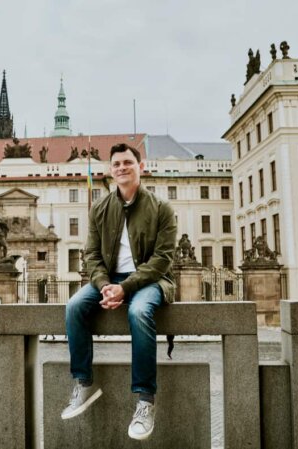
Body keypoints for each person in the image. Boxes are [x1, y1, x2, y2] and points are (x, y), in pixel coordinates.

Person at [62, 143, 176, 441]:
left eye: (128, 162)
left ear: (141, 166)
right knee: (74, 306)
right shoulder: (100, 208)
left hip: (151, 280)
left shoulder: (161, 208)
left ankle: (144, 401)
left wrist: (124, 288)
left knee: (139, 311)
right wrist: (104, 286)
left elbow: (163, 259)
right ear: (110, 170)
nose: (122, 168)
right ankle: (83, 383)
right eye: (116, 164)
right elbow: (91, 256)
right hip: (109, 280)